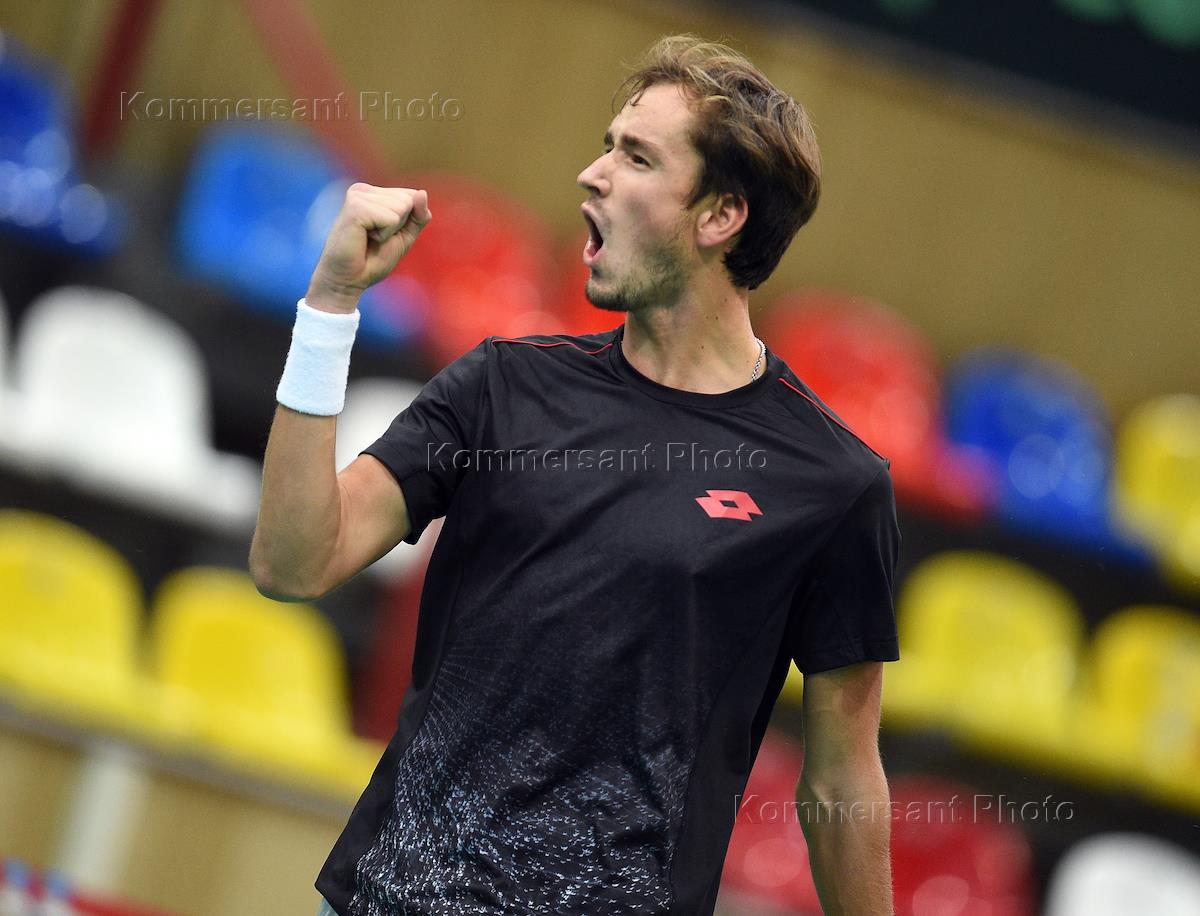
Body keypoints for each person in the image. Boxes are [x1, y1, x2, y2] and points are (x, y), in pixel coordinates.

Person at [250, 34, 900, 916]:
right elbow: (292, 562)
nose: (593, 175)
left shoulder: (832, 484)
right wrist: (330, 306)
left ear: (720, 216)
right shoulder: (501, 387)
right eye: (607, 146)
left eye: (637, 158)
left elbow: (841, 782)